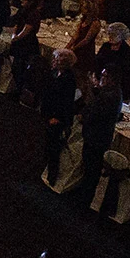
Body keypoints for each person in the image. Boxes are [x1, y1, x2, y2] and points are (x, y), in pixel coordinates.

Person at [39, 49, 78, 187]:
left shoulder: (68, 79)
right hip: (50, 113)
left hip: (57, 117)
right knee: (49, 144)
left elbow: (66, 102)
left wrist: (57, 118)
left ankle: (52, 177)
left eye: (56, 59)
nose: (53, 61)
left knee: (54, 147)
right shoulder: (55, 73)